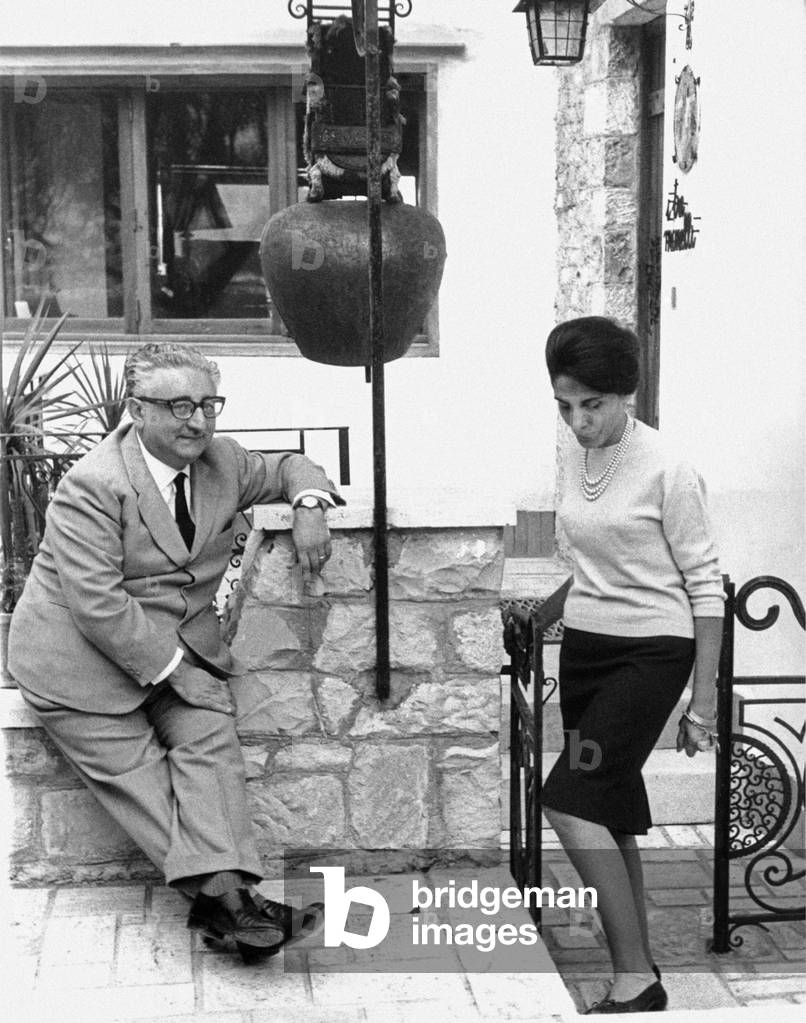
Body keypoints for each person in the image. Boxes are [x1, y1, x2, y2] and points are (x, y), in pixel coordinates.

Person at [8, 342, 343, 964]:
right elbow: (98, 605)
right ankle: (238, 908)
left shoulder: (222, 462)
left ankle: (234, 919)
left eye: (208, 404)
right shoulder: (94, 485)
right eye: (179, 405)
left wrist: (309, 506)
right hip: (76, 665)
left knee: (210, 737)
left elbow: (293, 461)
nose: (198, 421)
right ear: (137, 409)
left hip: (169, 651)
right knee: (142, 781)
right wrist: (177, 675)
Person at [510, 317, 724, 1014]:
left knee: (569, 801)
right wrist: (547, 609)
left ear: (625, 393)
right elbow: (592, 561)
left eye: (592, 405)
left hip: (652, 653)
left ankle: (636, 976)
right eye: (565, 404)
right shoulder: (575, 456)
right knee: (609, 809)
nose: (578, 421)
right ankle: (637, 963)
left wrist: (704, 702)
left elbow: (705, 584)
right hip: (587, 652)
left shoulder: (669, 467)